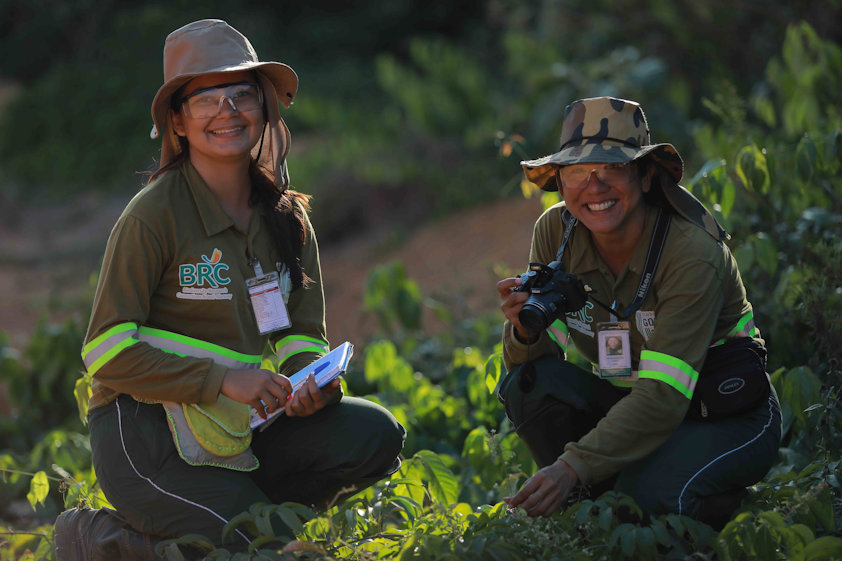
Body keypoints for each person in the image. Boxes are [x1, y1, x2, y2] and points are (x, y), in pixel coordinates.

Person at [54, 19, 405, 559]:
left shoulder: (289, 220)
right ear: (178, 120)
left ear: (264, 107)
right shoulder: (153, 216)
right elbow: (105, 353)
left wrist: (309, 385)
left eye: (242, 94)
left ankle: (217, 519)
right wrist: (221, 379)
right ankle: (107, 540)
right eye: (205, 99)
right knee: (269, 543)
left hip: (242, 429)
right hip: (145, 436)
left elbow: (301, 337)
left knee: (373, 433)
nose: (227, 111)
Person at [496, 96, 780, 528]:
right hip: (631, 407)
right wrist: (523, 332)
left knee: (642, 503)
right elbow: (532, 368)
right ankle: (594, 506)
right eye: (577, 172)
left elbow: (664, 396)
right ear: (559, 180)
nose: (595, 187)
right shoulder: (555, 232)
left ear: (646, 176)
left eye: (614, 168)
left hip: (725, 414)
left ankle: (696, 503)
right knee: (529, 384)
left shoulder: (691, 252)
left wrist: (571, 465)